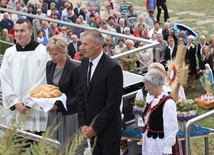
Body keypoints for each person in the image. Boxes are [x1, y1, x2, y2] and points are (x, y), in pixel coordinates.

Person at [0, 18, 50, 133]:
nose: (18, 34)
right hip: (15, 107)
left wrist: (29, 102)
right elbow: (4, 79)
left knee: (35, 146)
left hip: (34, 108)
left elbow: (43, 79)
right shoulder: (9, 52)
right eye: (16, 31)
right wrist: (15, 102)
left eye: (22, 30)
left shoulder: (42, 52)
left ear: (31, 32)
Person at [78, 30, 123, 155]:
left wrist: (95, 128)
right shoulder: (85, 62)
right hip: (90, 131)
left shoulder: (112, 67)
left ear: (97, 45)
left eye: (85, 44)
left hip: (108, 132)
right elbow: (81, 94)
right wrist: (83, 124)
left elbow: (112, 103)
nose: (82, 47)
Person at [46, 35, 80, 146]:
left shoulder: (74, 69)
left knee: (69, 147)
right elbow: (50, 88)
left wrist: (58, 106)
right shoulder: (50, 65)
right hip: (53, 113)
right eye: (50, 54)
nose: (52, 57)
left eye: (55, 54)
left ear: (63, 51)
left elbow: (78, 96)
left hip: (69, 114)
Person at [142, 68, 179, 155]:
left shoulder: (168, 103)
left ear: (157, 85)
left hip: (161, 143)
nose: (146, 89)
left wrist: (168, 147)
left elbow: (171, 127)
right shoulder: (151, 99)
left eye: (147, 86)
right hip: (151, 142)